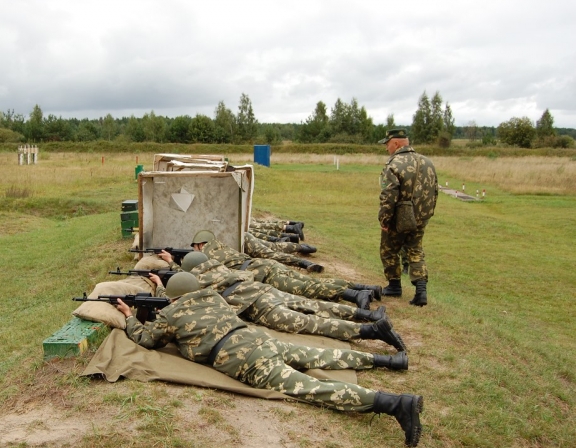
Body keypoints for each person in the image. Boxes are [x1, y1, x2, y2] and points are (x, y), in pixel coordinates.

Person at [114, 272, 424, 448]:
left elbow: (146, 339)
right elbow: (182, 304)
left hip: (246, 360)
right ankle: (389, 361)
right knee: (321, 355)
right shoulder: (211, 296)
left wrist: (129, 316)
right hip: (256, 339)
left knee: (310, 388)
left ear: (171, 297)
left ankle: (395, 404)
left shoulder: (171, 314)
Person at [172, 251, 405, 351]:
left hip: (258, 305)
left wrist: (169, 268)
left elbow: (179, 291)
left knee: (310, 323)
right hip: (263, 290)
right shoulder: (218, 267)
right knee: (315, 305)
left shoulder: (196, 280)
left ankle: (370, 330)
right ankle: (369, 315)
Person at [182, 230, 379, 310]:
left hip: (265, 274)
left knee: (308, 289)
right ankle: (365, 288)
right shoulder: (221, 246)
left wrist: (174, 262)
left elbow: (197, 272)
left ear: (200, 244)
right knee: (312, 282)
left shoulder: (207, 255)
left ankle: (355, 295)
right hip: (267, 266)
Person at [377, 129, 439, 306]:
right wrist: (426, 215)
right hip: (421, 217)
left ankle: (394, 285)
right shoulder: (427, 162)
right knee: (415, 249)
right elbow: (435, 190)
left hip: (399, 217)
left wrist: (385, 219)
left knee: (388, 249)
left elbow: (389, 195)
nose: (387, 148)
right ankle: (421, 291)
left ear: (396, 143)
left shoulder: (394, 164)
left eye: (387, 144)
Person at [243, 232, 322, 271]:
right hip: (241, 239)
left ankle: (301, 261)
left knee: (267, 252)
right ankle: (299, 247)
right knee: (272, 247)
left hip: (243, 238)